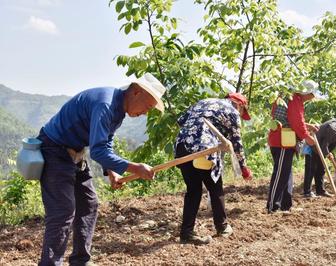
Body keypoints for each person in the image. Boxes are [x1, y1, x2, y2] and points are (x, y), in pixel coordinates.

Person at [36, 73, 166, 266]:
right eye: (147, 107)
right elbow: (97, 151)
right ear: (136, 92)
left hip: (75, 152)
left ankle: (81, 261)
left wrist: (111, 170)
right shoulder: (105, 104)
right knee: (63, 212)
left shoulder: (118, 110)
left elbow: (106, 141)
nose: (146, 113)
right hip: (54, 149)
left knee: (89, 203)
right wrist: (134, 168)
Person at [175, 92, 253, 245]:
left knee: (193, 190)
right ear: (240, 105)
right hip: (203, 147)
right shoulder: (232, 111)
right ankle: (222, 227)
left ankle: (186, 233)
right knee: (215, 188)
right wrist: (244, 168)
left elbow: (181, 121)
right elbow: (236, 143)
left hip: (182, 145)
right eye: (243, 111)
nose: (241, 114)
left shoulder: (203, 101)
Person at [266, 80, 319, 214]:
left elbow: (290, 119)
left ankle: (286, 205)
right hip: (282, 140)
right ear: (307, 93)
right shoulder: (294, 99)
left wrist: (307, 126)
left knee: (286, 173)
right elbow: (295, 122)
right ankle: (272, 206)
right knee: (281, 173)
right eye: (312, 95)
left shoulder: (290, 97)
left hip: (283, 140)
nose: (312, 98)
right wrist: (307, 137)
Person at [303, 115, 336, 198]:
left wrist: (328, 153)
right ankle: (307, 192)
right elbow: (324, 144)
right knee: (311, 169)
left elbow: (328, 144)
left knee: (321, 170)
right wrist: (327, 153)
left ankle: (320, 191)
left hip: (320, 150)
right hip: (313, 148)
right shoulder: (333, 127)